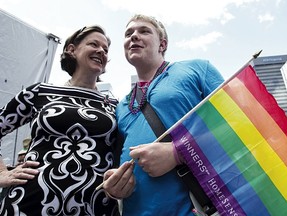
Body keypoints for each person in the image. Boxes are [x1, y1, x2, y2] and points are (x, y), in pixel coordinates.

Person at [0, 25, 132, 216]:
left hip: (94, 207)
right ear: (71, 49)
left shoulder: (115, 105)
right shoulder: (39, 92)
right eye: (94, 44)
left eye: (105, 49)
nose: (101, 51)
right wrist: (3, 174)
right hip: (28, 204)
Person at [103, 14, 225, 215]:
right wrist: (115, 185)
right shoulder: (122, 105)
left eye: (144, 31)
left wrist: (179, 153)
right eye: (128, 33)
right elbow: (120, 161)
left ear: (162, 44)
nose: (134, 36)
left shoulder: (198, 69)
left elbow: (239, 123)